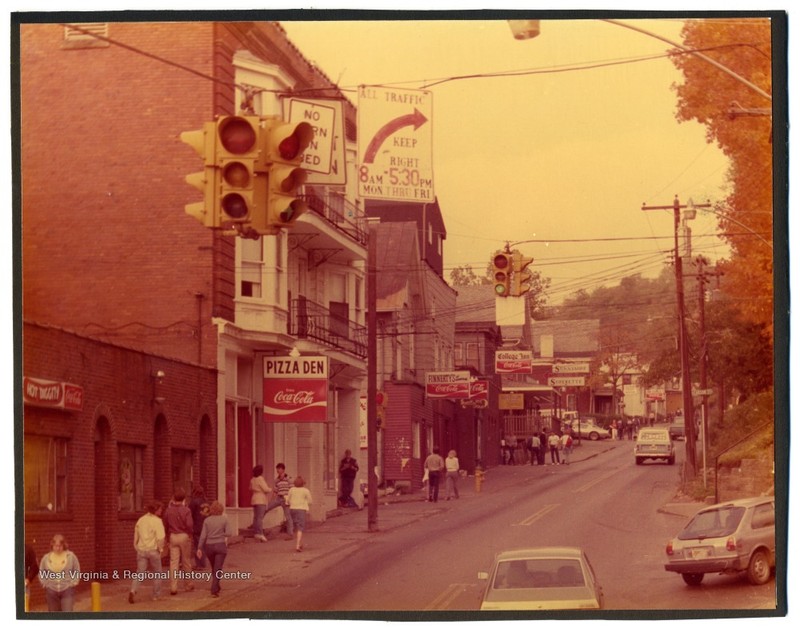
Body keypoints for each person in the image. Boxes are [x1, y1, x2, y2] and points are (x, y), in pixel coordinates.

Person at [129, 500, 166, 604]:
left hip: (141, 550)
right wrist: (161, 549)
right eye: (160, 509)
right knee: (157, 573)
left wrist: (135, 545)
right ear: (156, 510)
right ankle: (156, 595)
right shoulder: (157, 521)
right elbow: (160, 538)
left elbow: (136, 534)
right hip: (153, 550)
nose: (161, 511)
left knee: (140, 573)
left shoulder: (141, 520)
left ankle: (133, 590)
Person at [197, 501, 234, 598]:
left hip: (209, 546)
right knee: (218, 568)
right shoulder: (224, 520)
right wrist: (221, 534)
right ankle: (214, 589)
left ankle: (217, 586)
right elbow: (229, 533)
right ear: (221, 510)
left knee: (214, 567)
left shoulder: (207, 520)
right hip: (220, 545)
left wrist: (199, 547)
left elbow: (203, 535)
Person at [163, 488, 195, 595]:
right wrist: (190, 534)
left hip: (173, 536)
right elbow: (189, 524)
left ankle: (173, 587)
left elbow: (165, 525)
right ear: (184, 499)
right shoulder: (186, 510)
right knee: (186, 561)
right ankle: (188, 584)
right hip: (184, 535)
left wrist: (167, 537)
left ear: (173, 498)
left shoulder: (168, 510)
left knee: (174, 562)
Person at [38, 534, 80, 611]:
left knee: (67, 613)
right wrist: (45, 583)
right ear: (52, 545)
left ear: (64, 545)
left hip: (67, 590)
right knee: (54, 616)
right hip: (51, 591)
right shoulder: (46, 558)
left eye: (60, 546)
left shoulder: (71, 556)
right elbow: (41, 571)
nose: (58, 548)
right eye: (56, 546)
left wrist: (74, 582)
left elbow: (76, 569)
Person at [265, 463, 294, 539]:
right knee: (266, 508)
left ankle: (290, 534)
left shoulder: (289, 478)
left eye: (279, 468)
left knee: (288, 516)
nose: (277, 470)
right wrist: (271, 500)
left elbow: (291, 490)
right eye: (277, 469)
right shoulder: (276, 480)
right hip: (278, 498)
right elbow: (275, 491)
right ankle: (256, 525)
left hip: (286, 499)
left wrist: (290, 499)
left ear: (283, 469)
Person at [287, 476, 312, 552]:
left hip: (292, 509)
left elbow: (288, 500)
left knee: (297, 527)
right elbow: (310, 501)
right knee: (300, 527)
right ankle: (297, 545)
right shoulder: (305, 491)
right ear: (303, 483)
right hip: (301, 509)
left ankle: (300, 543)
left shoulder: (291, 490)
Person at [188, 486, 209, 569]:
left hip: (197, 527)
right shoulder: (206, 502)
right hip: (206, 526)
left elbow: (189, 514)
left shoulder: (194, 502)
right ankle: (203, 563)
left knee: (198, 546)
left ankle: (199, 565)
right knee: (203, 545)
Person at [249, 465, 272, 542]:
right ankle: (260, 534)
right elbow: (266, 489)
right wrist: (271, 489)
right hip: (261, 499)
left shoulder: (252, 479)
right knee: (260, 517)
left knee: (255, 517)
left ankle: (256, 533)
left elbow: (250, 488)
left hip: (254, 498)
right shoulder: (260, 479)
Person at [24, 542, 38, 612]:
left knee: (24, 610)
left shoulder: (28, 549)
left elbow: (35, 567)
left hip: (24, 584)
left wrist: (29, 578)